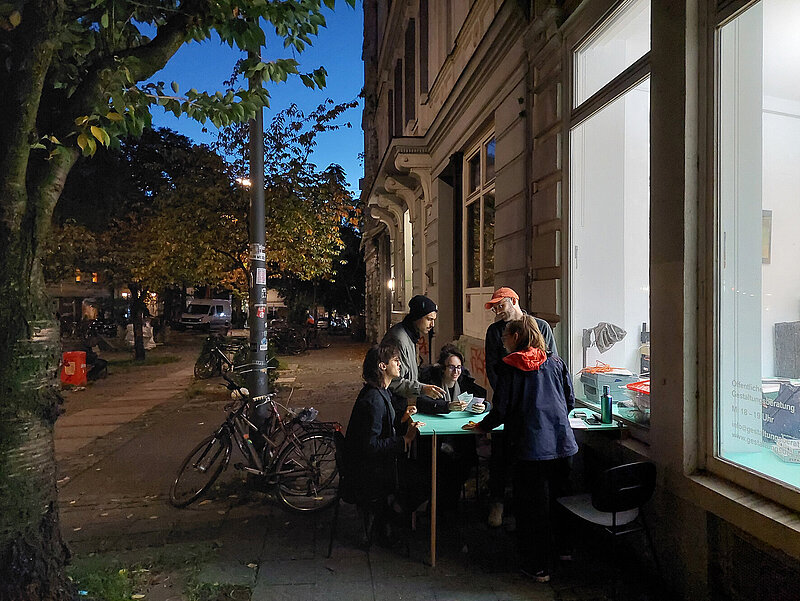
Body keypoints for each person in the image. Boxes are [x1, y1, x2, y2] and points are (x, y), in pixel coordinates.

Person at [464, 316, 578, 582]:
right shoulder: (556, 362)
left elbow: (501, 409)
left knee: (531, 509)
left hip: (531, 449)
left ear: (516, 337)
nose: (502, 342)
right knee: (561, 500)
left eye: (505, 337)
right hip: (563, 445)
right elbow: (569, 400)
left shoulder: (510, 368)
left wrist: (482, 426)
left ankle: (537, 566)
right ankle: (565, 552)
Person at [483, 286, 558, 528]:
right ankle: (498, 502)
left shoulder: (540, 326)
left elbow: (551, 362)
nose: (498, 311)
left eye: (501, 305)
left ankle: (524, 510)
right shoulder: (494, 331)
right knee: (500, 453)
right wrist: (507, 394)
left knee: (529, 461)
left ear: (514, 301)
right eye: (495, 308)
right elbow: (493, 368)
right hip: (508, 400)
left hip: (537, 404)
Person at [343, 343, 427, 543]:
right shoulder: (375, 399)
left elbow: (380, 430)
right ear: (382, 366)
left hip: (370, 467)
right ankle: (392, 520)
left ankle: (389, 519)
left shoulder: (377, 392)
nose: (400, 365)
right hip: (370, 474)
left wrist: (403, 419)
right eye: (395, 361)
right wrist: (405, 440)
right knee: (424, 479)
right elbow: (371, 445)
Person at [416, 344, 487, 515]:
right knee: (442, 468)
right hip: (437, 440)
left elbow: (484, 399)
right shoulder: (432, 383)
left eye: (459, 367)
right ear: (442, 369)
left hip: (460, 439)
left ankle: (448, 508)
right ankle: (439, 509)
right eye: (451, 367)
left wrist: (483, 407)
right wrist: (447, 406)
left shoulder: (464, 383)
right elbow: (422, 402)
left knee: (461, 465)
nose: (456, 372)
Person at [381, 294, 445, 410]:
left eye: (434, 320)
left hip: (402, 401)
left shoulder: (411, 335)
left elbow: (409, 372)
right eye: (429, 319)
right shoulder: (399, 339)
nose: (432, 325)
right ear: (417, 317)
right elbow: (392, 381)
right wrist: (421, 389)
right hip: (395, 403)